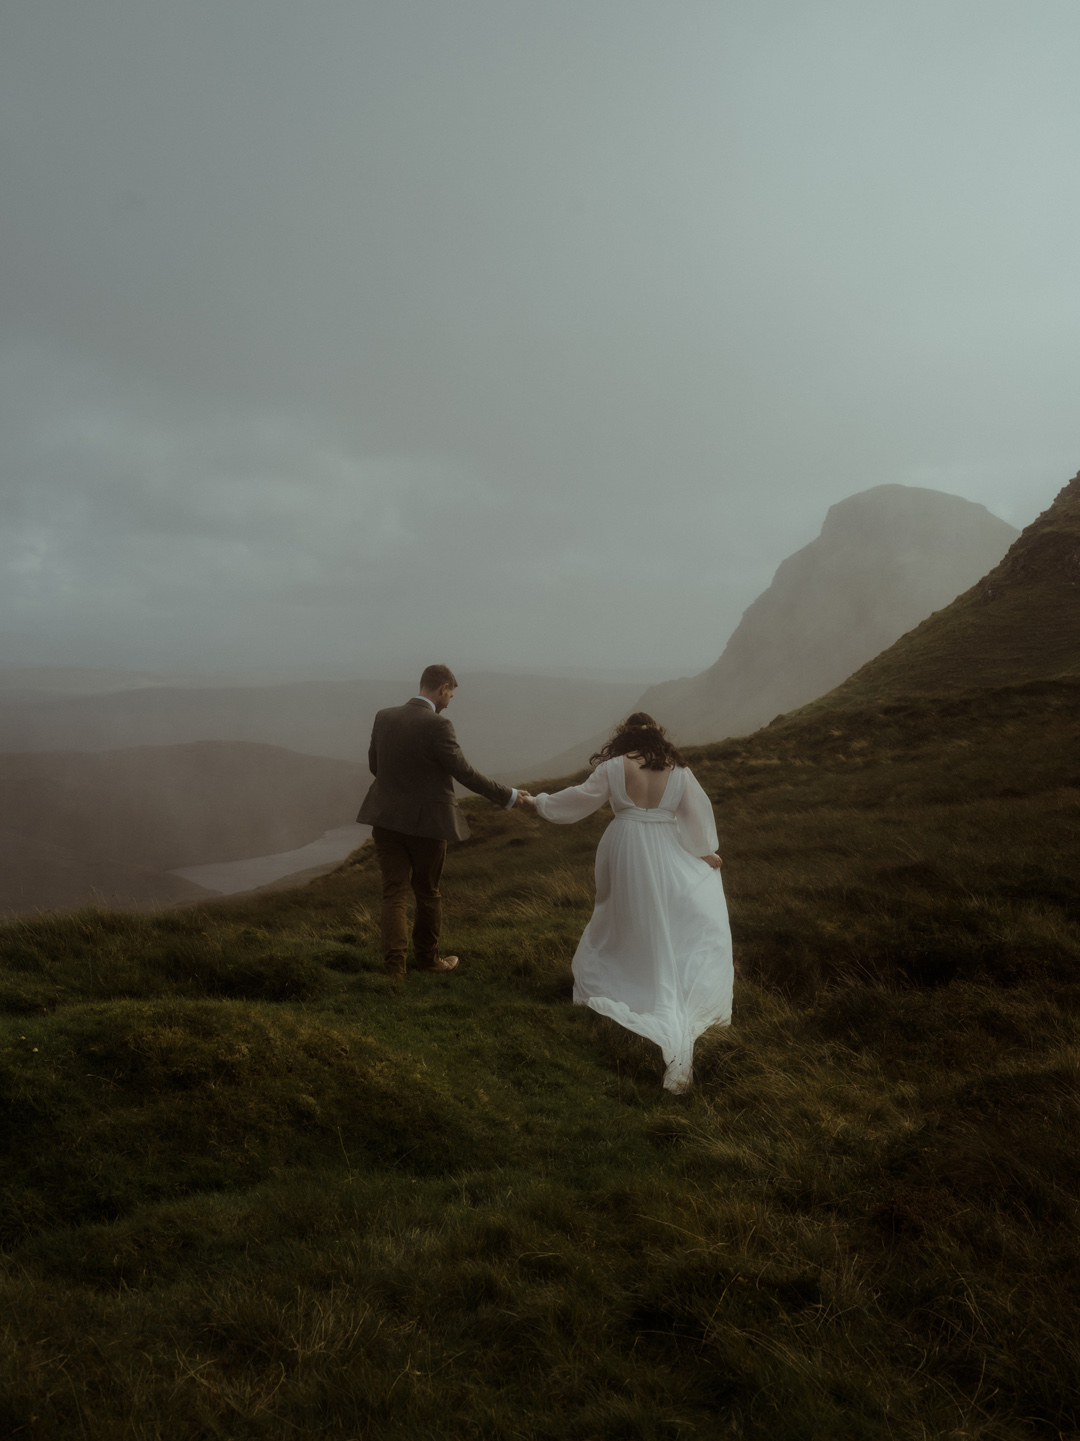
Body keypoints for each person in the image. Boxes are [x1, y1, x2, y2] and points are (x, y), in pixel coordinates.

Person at [523, 712, 732, 1092]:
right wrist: (703, 854)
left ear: (625, 737)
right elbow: (697, 816)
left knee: (620, 915)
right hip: (666, 847)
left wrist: (538, 803)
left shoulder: (616, 766)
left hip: (625, 845)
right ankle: (658, 977)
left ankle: (627, 972)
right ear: (659, 737)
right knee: (662, 915)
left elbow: (580, 798)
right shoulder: (679, 770)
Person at [358, 664, 532, 977]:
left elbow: (376, 765)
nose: (450, 700)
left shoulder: (384, 716)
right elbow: (464, 772)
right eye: (450, 693)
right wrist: (508, 795)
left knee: (394, 894)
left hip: (385, 818)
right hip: (427, 825)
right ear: (442, 688)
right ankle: (428, 962)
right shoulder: (438, 725)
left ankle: (395, 971)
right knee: (427, 892)